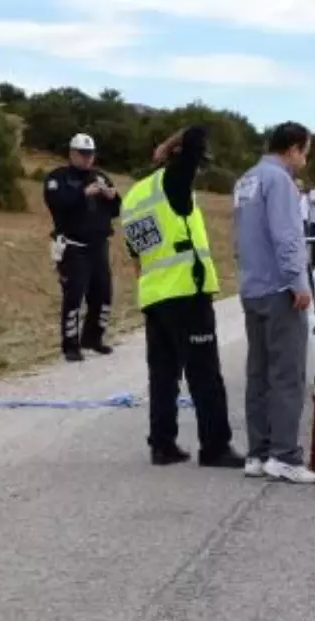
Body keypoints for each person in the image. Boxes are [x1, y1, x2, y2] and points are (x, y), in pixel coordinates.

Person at [119, 125, 241, 468]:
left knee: (163, 375)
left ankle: (162, 444)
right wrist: (168, 145)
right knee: (204, 373)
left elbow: (135, 257)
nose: (198, 171)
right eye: (196, 164)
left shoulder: (133, 198)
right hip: (186, 292)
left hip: (154, 296)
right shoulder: (171, 183)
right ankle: (215, 446)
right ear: (178, 160)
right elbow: (198, 131)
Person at [232, 123, 315, 484]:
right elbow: (287, 235)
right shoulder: (280, 181)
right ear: (295, 148)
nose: (305, 158)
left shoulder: (246, 180)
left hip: (252, 287)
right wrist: (298, 282)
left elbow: (239, 236)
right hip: (279, 289)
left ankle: (259, 452)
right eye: (306, 151)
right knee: (287, 375)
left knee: (259, 374)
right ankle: (285, 456)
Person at [43, 132, 120, 362]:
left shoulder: (101, 176)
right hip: (73, 246)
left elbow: (116, 209)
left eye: (91, 154)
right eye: (83, 154)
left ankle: (93, 338)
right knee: (74, 296)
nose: (88, 159)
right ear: (72, 153)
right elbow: (57, 203)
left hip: (99, 245)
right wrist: (82, 193)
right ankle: (70, 345)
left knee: (103, 294)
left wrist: (111, 196)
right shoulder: (58, 177)